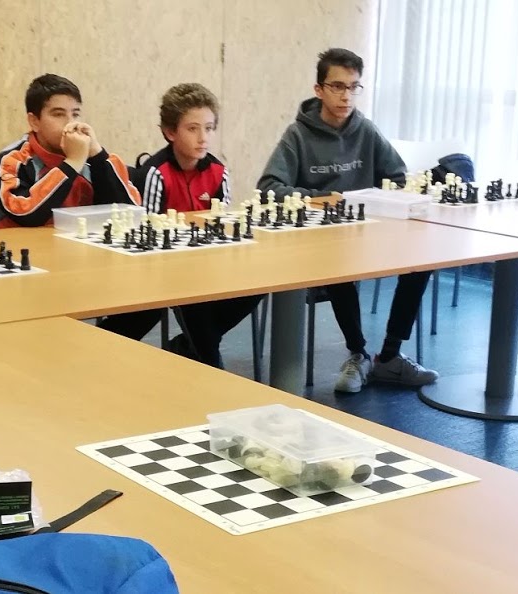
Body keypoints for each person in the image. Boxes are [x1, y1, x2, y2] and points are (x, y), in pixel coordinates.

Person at [258, 48, 439, 394]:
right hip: (323, 237)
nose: (346, 96)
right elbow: (268, 187)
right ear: (319, 89)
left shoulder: (365, 130)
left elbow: (397, 177)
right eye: (338, 86)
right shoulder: (298, 135)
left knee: (422, 261)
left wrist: (377, 199)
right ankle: (358, 354)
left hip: (368, 231)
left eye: (354, 87)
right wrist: (329, 199)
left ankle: (390, 355)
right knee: (338, 261)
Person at [102, 83, 262, 368]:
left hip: (207, 266)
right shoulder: (157, 173)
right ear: (170, 132)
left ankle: (192, 344)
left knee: (258, 284)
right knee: (195, 308)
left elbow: (221, 226)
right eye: (193, 129)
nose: (203, 138)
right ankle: (206, 359)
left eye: (209, 128)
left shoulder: (218, 172)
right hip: (166, 271)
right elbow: (148, 232)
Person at [0, 73, 142, 229]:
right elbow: (26, 214)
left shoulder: (92, 157)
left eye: (75, 114)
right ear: (34, 121)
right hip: (19, 243)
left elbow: (129, 212)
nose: (70, 123)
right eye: (58, 114)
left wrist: (98, 157)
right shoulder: (12, 161)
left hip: (76, 242)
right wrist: (72, 163)